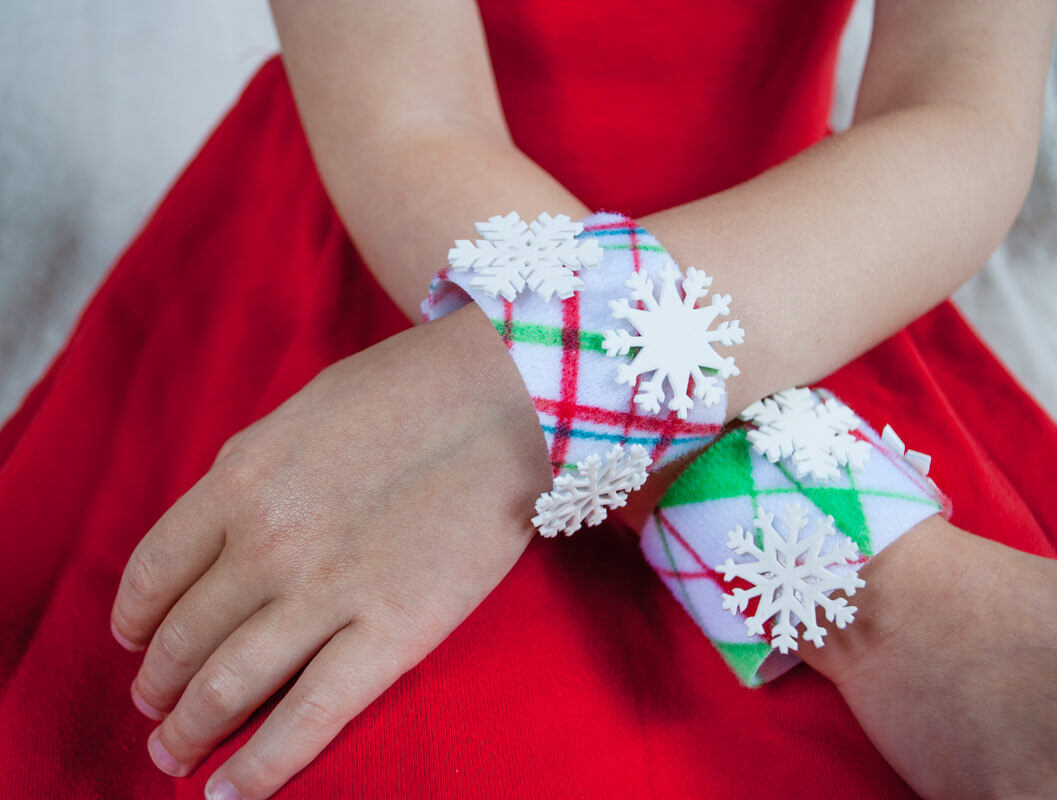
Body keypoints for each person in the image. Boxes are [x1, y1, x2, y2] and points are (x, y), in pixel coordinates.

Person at [2, 1, 1056, 798]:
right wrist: (872, 583)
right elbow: (413, 121)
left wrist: (539, 388)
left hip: (801, 267)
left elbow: (956, 113)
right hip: (411, 255)